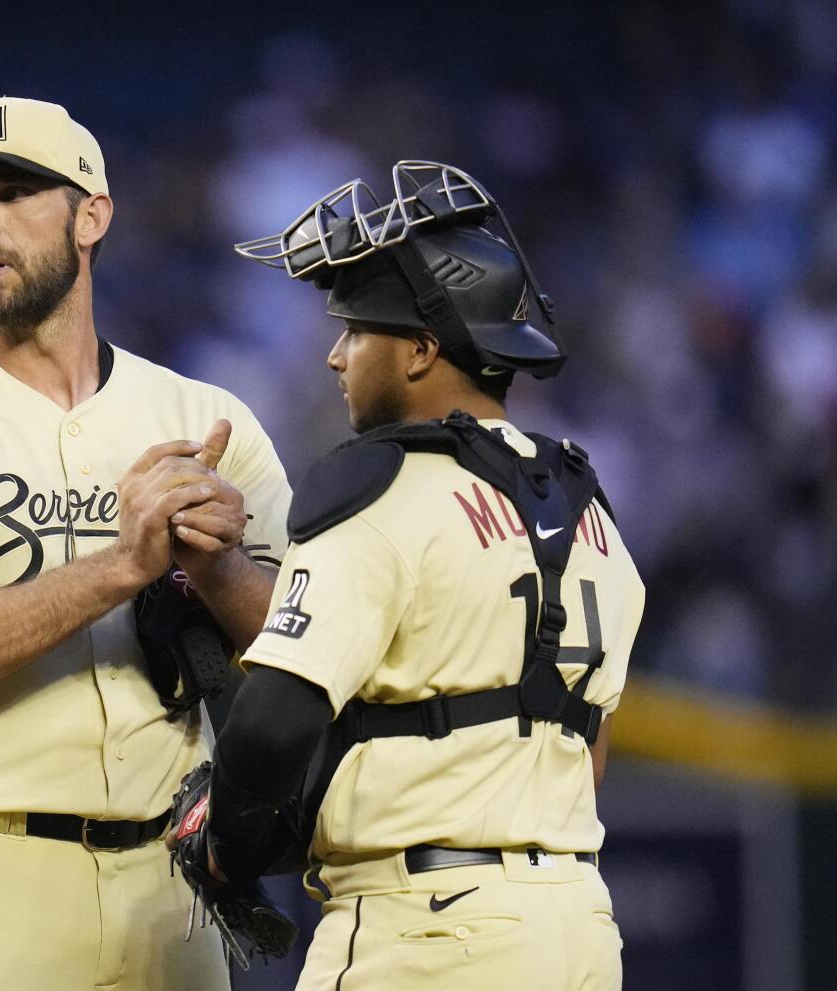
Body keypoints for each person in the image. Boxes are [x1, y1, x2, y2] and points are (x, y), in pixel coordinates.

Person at [0, 96, 291, 991]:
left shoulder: (206, 420)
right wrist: (122, 566)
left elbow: (304, 646)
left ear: (92, 215)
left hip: (170, 890)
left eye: (13, 192)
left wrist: (217, 568)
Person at [171, 162, 646, 990]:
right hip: (576, 923)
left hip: (425, 929)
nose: (334, 356)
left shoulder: (379, 484)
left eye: (356, 330)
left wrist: (227, 848)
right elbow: (586, 750)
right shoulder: (589, 508)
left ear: (422, 349)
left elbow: (274, 724)